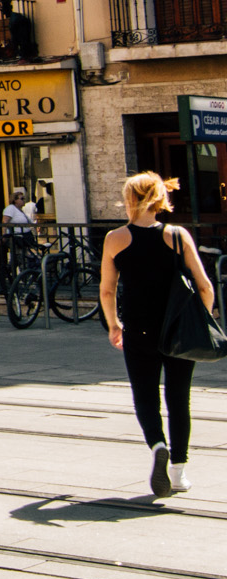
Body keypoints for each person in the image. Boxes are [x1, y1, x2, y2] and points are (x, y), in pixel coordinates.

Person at [100, 172, 214, 497]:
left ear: (130, 200)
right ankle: (178, 473)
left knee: (145, 396)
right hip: (178, 331)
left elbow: (107, 291)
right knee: (179, 398)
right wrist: (200, 319)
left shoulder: (115, 238)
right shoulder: (178, 235)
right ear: (160, 198)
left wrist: (114, 324)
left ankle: (156, 444)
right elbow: (204, 285)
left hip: (139, 328)